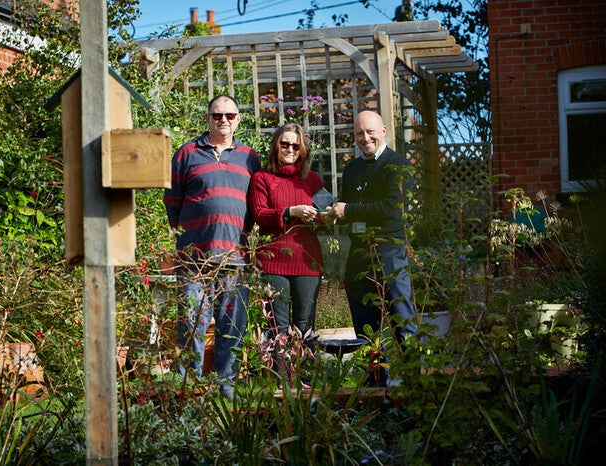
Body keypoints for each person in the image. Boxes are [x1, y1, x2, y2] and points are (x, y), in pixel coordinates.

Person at [163, 95, 261, 398]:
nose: (223, 120)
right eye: (217, 115)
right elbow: (172, 202)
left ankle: (226, 391)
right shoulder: (186, 154)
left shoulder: (249, 157)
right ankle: (187, 391)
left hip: (235, 258)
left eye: (230, 115)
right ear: (208, 118)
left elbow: (257, 201)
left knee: (231, 328)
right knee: (190, 326)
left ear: (238, 119)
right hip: (195, 260)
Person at [329, 110, 417, 386]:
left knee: (402, 317)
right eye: (358, 133)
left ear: (384, 131)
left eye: (370, 131)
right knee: (366, 327)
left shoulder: (398, 165)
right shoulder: (352, 169)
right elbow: (347, 207)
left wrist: (350, 210)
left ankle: (417, 379)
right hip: (358, 254)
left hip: (389, 252)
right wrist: (332, 212)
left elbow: (392, 210)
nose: (364, 138)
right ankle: (376, 381)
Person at [248, 123, 326, 373]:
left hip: (307, 259)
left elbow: (325, 213)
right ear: (276, 146)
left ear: (302, 150)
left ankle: (306, 377)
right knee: (277, 324)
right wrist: (290, 212)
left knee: (304, 324)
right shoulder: (262, 178)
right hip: (273, 259)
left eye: (296, 145)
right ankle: (279, 376)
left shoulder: (312, 180)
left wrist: (324, 217)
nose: (290, 149)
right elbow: (260, 214)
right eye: (285, 144)